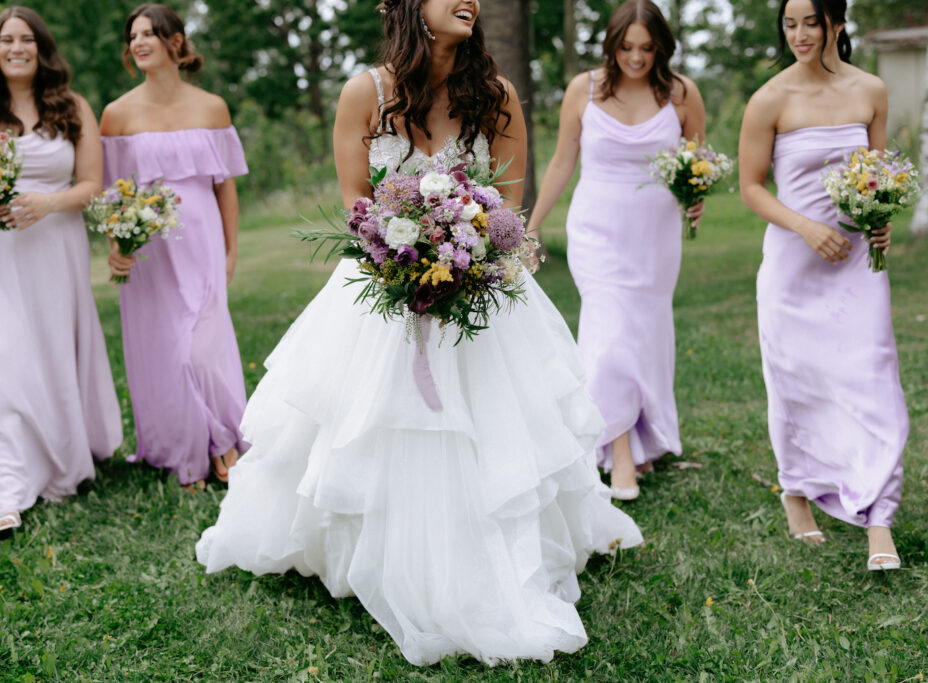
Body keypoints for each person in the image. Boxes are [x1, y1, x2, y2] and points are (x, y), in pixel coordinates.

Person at [196, 0, 642, 666]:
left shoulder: (497, 95)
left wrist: (463, 257)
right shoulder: (365, 92)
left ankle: (482, 552)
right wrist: (409, 261)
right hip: (384, 287)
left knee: (491, 429)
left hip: (480, 287)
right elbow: (356, 202)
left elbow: (510, 208)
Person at [0, 6, 122, 536]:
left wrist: (49, 203)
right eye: (5, 40)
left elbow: (90, 184)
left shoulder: (72, 106)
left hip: (53, 249)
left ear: (42, 48)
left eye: (26, 40)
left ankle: (55, 461)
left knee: (45, 357)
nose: (16, 48)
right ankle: (2, 494)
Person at [738, 0, 906, 570]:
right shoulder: (770, 99)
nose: (800, 34)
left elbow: (877, 175)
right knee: (795, 380)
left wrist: (881, 218)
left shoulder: (870, 91)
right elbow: (751, 187)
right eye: (790, 23)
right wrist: (805, 225)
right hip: (793, 261)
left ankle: (878, 517)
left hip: (858, 262)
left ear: (837, 22)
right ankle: (795, 490)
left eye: (812, 21)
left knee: (873, 376)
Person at [526, 0, 706, 500]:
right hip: (597, 230)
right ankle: (620, 455)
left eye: (647, 48)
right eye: (626, 47)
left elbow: (696, 165)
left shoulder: (682, 93)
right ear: (611, 44)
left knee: (642, 339)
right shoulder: (584, 90)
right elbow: (563, 162)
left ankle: (640, 439)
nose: (635, 58)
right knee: (607, 338)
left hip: (655, 237)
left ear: (661, 48)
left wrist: (696, 200)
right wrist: (534, 224)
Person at [100, 3, 249, 490]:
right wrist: (116, 247)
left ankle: (222, 437)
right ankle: (188, 451)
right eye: (133, 36)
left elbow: (225, 186)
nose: (138, 43)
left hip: (202, 242)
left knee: (202, 350)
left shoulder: (212, 107)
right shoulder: (117, 114)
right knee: (164, 350)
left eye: (149, 34)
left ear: (176, 43)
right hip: (150, 252)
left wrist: (230, 250)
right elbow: (111, 193)